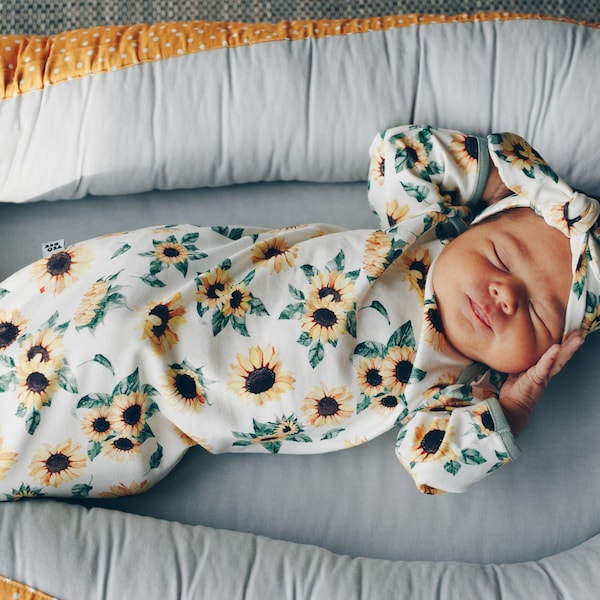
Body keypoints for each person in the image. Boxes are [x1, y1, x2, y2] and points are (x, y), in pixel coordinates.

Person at [0, 125, 597, 499]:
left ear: (547, 353)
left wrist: (514, 406)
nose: (505, 296)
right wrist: (513, 183)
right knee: (76, 305)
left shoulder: (449, 390)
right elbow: (397, 153)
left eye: (539, 314)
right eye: (500, 255)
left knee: (53, 428)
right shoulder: (422, 227)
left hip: (170, 404)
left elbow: (433, 464)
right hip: (182, 278)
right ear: (471, 228)